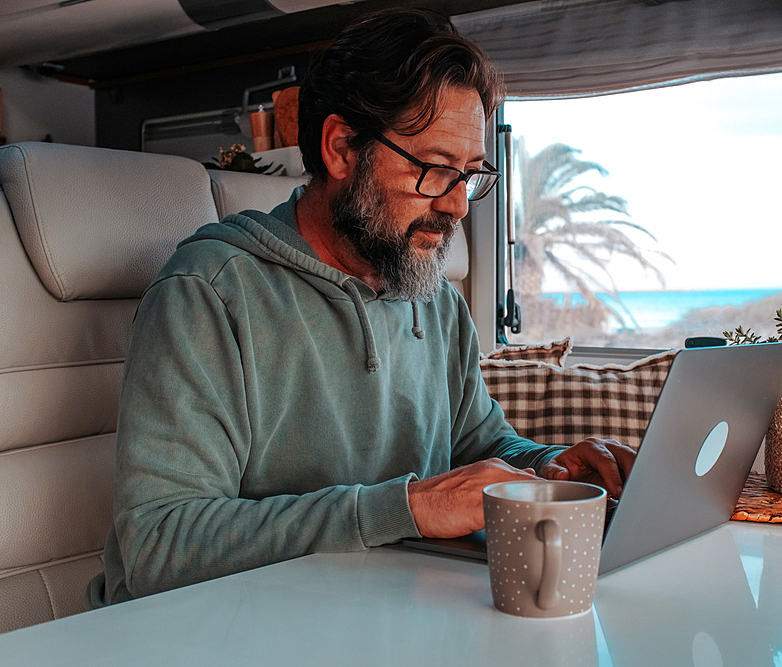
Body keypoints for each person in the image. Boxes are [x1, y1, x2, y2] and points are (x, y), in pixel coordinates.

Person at [86, 8, 635, 608]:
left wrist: (552, 471)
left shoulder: (435, 299)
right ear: (342, 147)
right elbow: (158, 547)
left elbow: (482, 445)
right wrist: (408, 508)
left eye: (471, 176)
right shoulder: (208, 296)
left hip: (378, 615)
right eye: (434, 169)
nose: (456, 206)